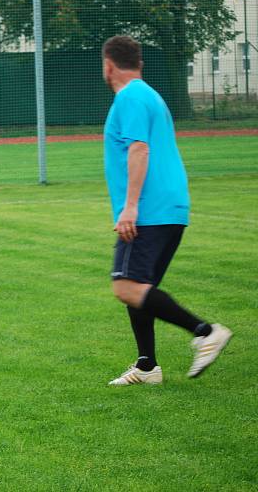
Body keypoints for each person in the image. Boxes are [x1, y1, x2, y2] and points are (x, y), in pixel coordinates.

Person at [101, 36, 232, 386]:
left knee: (126, 286)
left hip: (149, 209)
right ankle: (147, 367)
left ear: (108, 65)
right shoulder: (149, 94)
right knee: (141, 288)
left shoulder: (129, 96)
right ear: (139, 64)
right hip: (170, 207)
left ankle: (205, 332)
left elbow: (139, 150)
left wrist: (129, 208)